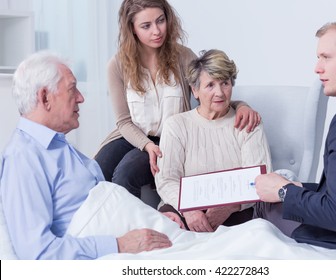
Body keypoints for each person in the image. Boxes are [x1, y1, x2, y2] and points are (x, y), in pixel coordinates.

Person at [0, 51, 176, 260]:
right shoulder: (24, 159)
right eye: (72, 88)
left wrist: (150, 220)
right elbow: (37, 253)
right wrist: (118, 244)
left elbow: (107, 208)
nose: (81, 98)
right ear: (45, 97)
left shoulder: (58, 147)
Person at [94, 0, 260, 200]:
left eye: (160, 21)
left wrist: (241, 105)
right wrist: (146, 145)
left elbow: (207, 95)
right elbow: (123, 122)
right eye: (146, 26)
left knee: (125, 175)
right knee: (95, 171)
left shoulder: (183, 57)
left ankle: (133, 229)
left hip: (169, 140)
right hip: (131, 135)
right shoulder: (117, 64)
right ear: (132, 29)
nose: (157, 31)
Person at [254, 16, 336, 254]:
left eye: (326, 57)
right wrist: (297, 186)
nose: (317, 68)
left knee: (264, 206)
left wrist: (282, 191)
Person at [155, 49, 272, 232]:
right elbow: (166, 179)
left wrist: (230, 206)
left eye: (225, 83)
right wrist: (189, 209)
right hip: (184, 209)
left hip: (237, 211)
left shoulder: (248, 122)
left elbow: (261, 181)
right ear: (195, 90)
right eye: (210, 85)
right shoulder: (176, 125)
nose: (220, 93)